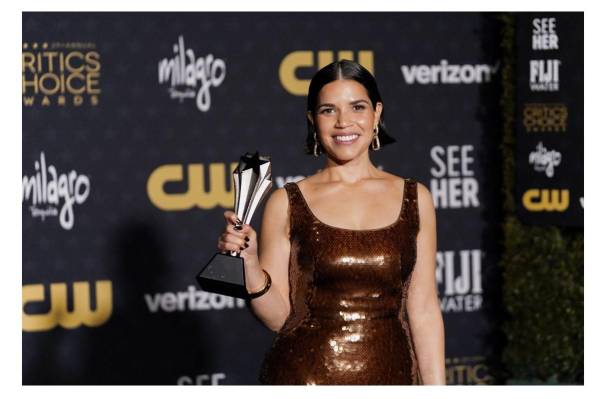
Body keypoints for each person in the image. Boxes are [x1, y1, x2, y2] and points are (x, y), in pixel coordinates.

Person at [217, 60, 445, 385]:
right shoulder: (287, 202)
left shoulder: (415, 197)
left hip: (393, 376)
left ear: (377, 113)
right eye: (328, 110)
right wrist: (250, 265)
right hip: (304, 377)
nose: (343, 122)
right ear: (312, 120)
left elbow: (423, 309)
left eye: (357, 107)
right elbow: (279, 317)